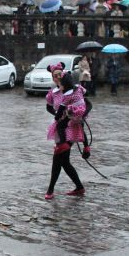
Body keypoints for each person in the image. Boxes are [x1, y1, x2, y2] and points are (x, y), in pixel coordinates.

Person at [44, 67, 88, 199]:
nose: (57, 77)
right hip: (60, 128)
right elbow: (49, 107)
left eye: (59, 75)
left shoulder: (75, 90)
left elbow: (83, 109)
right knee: (64, 161)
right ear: (52, 78)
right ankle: (79, 187)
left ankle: (50, 190)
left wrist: (86, 145)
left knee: (58, 159)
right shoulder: (53, 93)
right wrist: (58, 116)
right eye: (55, 75)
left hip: (71, 128)